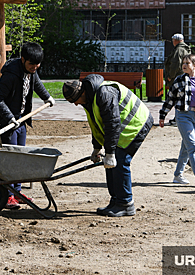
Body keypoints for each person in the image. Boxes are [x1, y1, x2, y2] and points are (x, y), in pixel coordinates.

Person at [63, 74, 153, 217]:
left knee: (120, 160)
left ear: (83, 92)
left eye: (75, 100)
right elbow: (97, 125)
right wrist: (97, 148)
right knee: (110, 163)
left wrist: (111, 153)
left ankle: (126, 203)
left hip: (137, 123)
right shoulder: (88, 99)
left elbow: (112, 124)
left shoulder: (104, 94)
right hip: (121, 127)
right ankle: (116, 200)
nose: (75, 104)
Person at [0, 42, 55, 209]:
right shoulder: (11, 75)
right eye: (32, 64)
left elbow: (36, 83)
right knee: (10, 160)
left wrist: (47, 97)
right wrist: (9, 117)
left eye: (38, 64)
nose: (35, 67)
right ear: (23, 59)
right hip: (6, 122)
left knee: (20, 158)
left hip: (21, 120)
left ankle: (17, 192)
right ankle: (8, 196)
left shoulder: (31, 71)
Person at [159, 54, 195, 189]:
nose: (184, 65)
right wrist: (162, 116)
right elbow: (169, 100)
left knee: (186, 147)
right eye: (183, 63)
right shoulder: (179, 80)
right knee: (192, 146)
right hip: (182, 116)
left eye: (187, 63)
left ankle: (178, 175)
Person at [164, 33, 191, 124]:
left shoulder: (178, 50)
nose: (172, 42)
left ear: (176, 40)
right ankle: (179, 118)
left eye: (173, 40)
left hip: (177, 78)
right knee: (181, 98)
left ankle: (178, 118)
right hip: (184, 76)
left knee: (175, 98)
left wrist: (170, 76)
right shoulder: (186, 49)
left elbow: (175, 65)